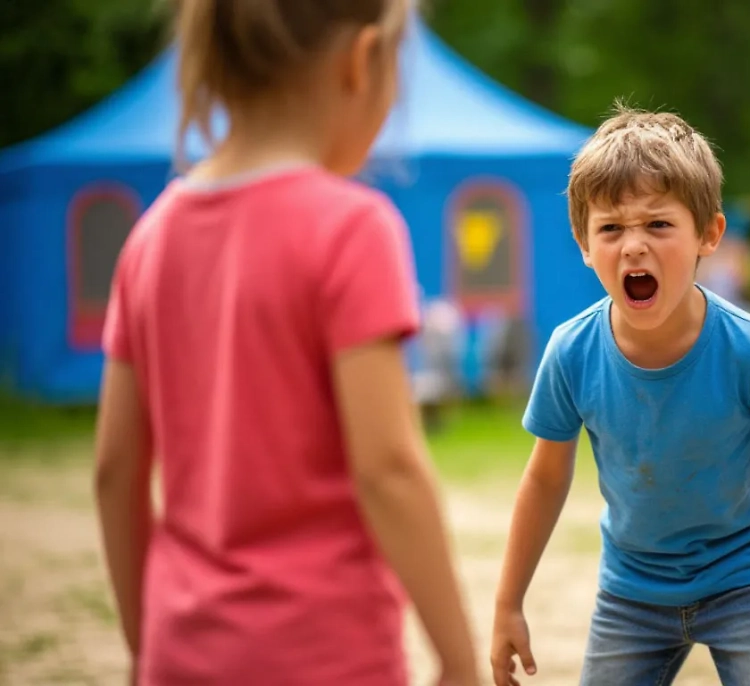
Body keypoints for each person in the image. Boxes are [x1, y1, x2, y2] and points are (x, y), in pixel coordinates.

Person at [91, 1, 479, 684]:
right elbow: (388, 468)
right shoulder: (352, 229)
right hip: (325, 654)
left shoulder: (148, 239)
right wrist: (457, 660)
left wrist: (142, 642)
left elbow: (115, 471)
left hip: (181, 652)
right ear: (361, 61)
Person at [488, 106, 750, 686]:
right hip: (632, 590)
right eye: (611, 228)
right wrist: (507, 604)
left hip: (748, 582)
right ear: (583, 242)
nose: (633, 247)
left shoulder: (748, 348)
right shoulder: (571, 352)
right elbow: (545, 478)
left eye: (657, 225)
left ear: (710, 234)